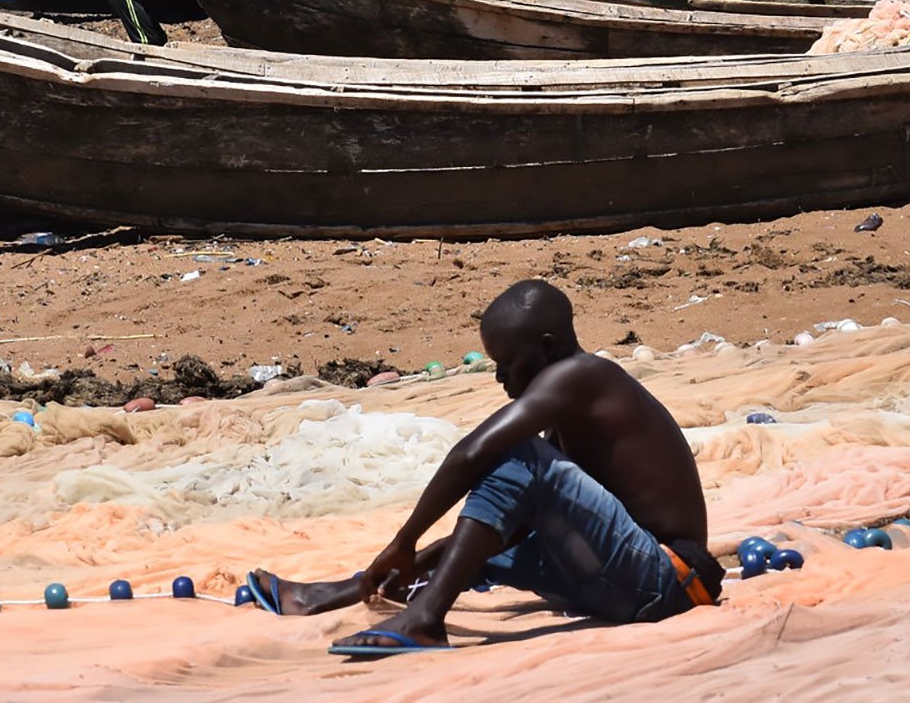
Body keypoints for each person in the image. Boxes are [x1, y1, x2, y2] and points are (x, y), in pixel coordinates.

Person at [245, 280, 719, 659]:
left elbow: (473, 452)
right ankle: (348, 589)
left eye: (507, 363)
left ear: (548, 348)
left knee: (517, 456)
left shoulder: (582, 376)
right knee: (475, 545)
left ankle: (425, 618)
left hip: (666, 580)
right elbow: (509, 523)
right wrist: (415, 557)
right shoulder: (566, 416)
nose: (498, 378)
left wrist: (405, 539)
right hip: (619, 583)